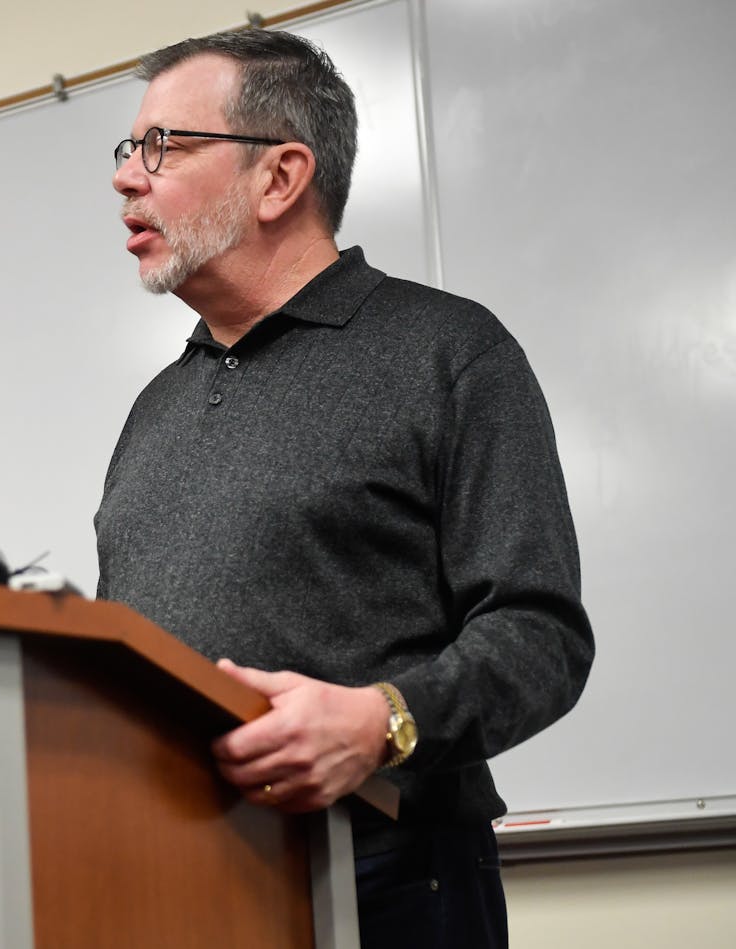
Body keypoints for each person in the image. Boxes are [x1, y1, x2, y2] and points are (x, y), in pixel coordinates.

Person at [94, 29, 594, 948]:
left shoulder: (448, 352)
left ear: (279, 177)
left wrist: (384, 720)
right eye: (128, 151)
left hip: (391, 881)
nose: (128, 177)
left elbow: (541, 635)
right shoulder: (154, 407)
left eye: (164, 146)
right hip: (167, 882)